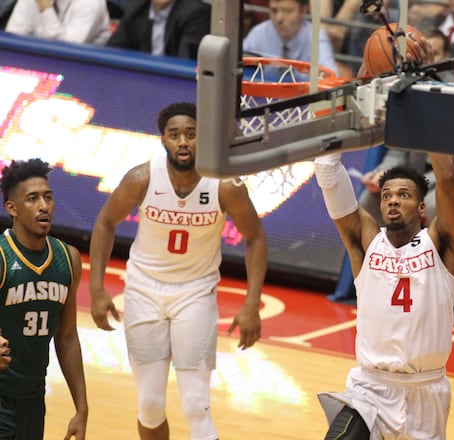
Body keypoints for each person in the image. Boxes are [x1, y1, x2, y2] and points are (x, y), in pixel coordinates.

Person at [89, 102, 268, 440]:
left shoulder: (225, 185)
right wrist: (97, 290)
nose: (183, 142)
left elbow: (255, 237)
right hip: (143, 291)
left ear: (205, 139)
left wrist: (250, 304)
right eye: (175, 135)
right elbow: (105, 223)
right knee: (151, 403)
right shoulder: (141, 177)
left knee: (196, 403)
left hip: (195, 293)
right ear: (163, 140)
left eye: (191, 134)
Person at [314, 148, 454, 438]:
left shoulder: (441, 245)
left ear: (422, 208)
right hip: (368, 389)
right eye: (386, 195)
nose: (393, 200)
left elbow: (447, 178)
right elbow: (328, 173)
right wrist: (332, 135)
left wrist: (433, 124)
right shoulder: (367, 241)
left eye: (404, 195)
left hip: (425, 392)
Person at [0, 158, 88, 439]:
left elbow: (66, 337)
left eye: (48, 197)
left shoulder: (68, 258)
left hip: (33, 400)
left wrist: (81, 408)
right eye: (32, 198)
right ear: (11, 208)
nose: (43, 206)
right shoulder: (2, 257)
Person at [358, 150, 454, 227]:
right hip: (414, 181)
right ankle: (382, 264)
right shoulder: (410, 107)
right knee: (369, 200)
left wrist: (415, 185)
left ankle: (431, 266)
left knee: (432, 204)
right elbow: (396, 153)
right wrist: (383, 173)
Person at [243, 0, 339, 76]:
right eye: (274, 10)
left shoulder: (316, 36)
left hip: (305, 96)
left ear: (303, 10)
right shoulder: (259, 33)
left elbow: (331, 75)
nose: (279, 18)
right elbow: (236, 63)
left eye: (287, 11)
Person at [106, 0, 211, 59]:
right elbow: (111, 53)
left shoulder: (196, 13)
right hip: (140, 83)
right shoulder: (135, 8)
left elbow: (185, 65)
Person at [5, 0, 111, 44]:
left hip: (82, 74)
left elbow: (66, 49)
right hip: (37, 65)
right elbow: (12, 36)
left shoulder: (91, 3)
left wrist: (45, 8)